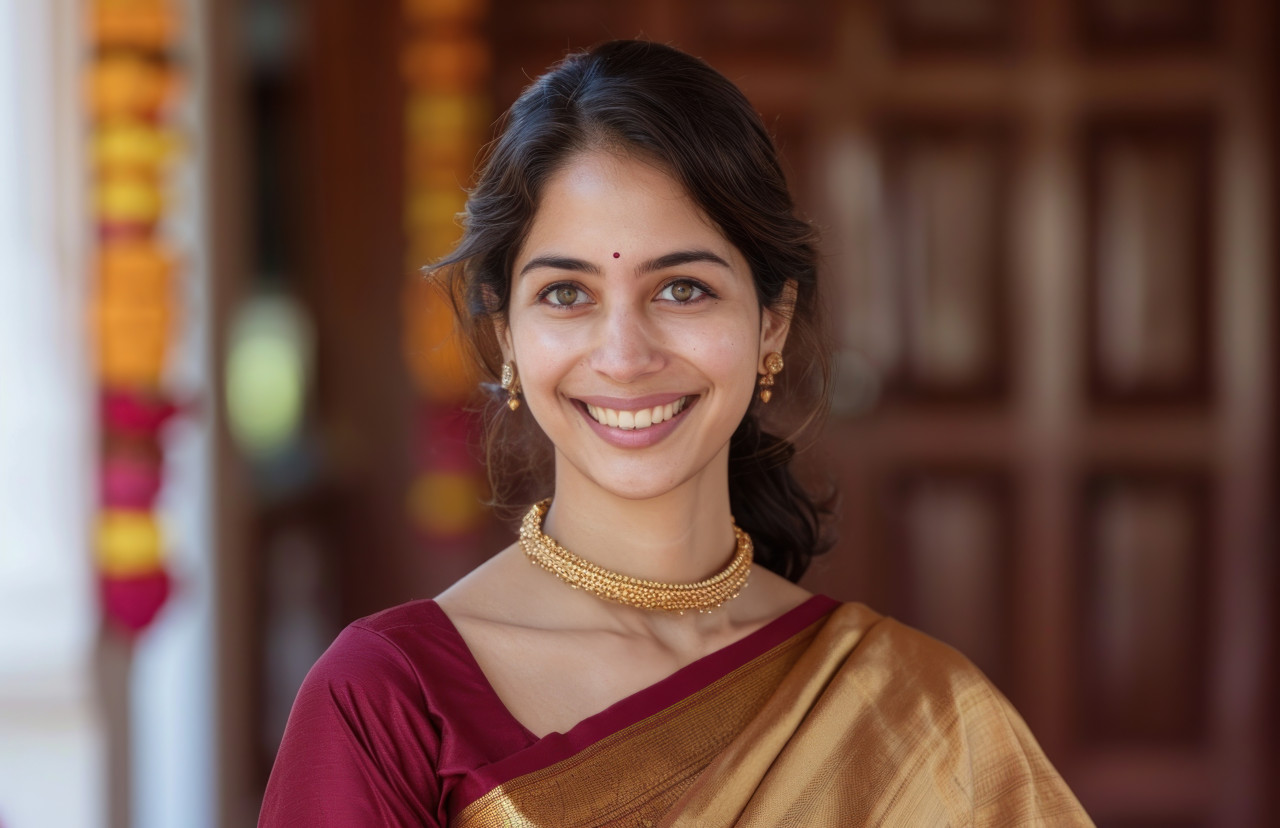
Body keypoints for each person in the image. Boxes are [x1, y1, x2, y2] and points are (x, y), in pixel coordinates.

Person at [259, 40, 1091, 826]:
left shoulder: (913, 712)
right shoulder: (390, 700)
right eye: (565, 294)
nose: (624, 356)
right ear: (506, 335)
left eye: (683, 289)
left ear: (771, 324)